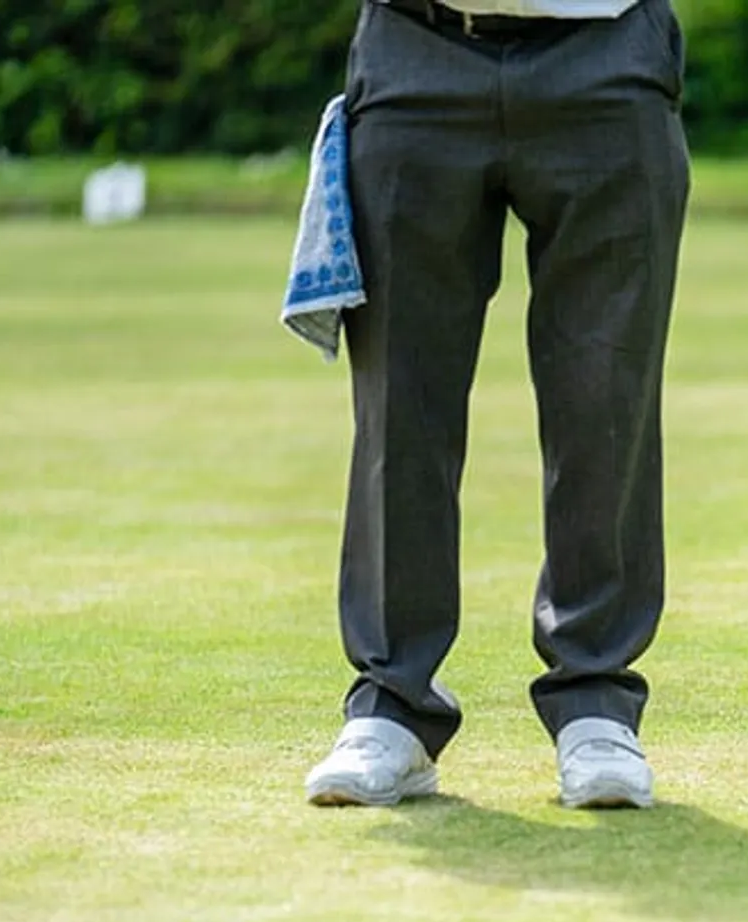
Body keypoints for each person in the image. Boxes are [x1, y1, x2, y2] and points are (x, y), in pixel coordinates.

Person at [303, 0, 690, 811]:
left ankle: (595, 704)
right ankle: (391, 706)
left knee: (605, 397)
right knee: (399, 404)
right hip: (413, 52)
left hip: (608, 49)